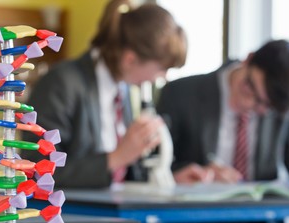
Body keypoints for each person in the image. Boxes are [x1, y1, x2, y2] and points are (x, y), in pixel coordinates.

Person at [156, 39, 289, 223]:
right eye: (250, 89)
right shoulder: (181, 94)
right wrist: (187, 173)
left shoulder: (281, 106)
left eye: (266, 107)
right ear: (248, 59)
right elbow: (151, 164)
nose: (253, 106)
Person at [21, 0, 187, 189]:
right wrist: (117, 157)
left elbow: (120, 176)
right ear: (130, 60)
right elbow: (39, 171)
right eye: (162, 69)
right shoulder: (60, 84)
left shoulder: (122, 90)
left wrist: (169, 177)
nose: (163, 77)